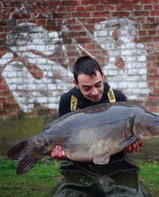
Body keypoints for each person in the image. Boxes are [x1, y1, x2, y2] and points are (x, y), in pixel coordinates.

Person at [48, 56, 152, 197]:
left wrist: (129, 146)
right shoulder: (67, 101)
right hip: (80, 166)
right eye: (87, 88)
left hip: (116, 164)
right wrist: (59, 151)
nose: (95, 92)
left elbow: (126, 140)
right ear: (76, 84)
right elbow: (63, 139)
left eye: (98, 84)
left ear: (102, 76)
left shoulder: (117, 98)